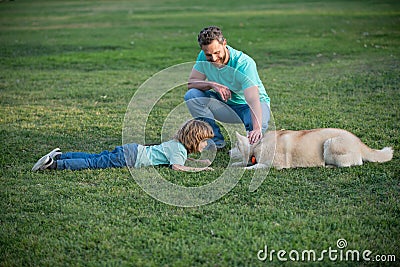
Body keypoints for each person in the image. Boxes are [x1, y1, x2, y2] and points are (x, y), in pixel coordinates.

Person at [184, 26, 270, 148]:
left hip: (249, 105)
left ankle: (252, 139)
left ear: (224, 43)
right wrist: (211, 84)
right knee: (192, 95)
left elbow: (252, 99)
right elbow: (192, 83)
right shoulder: (203, 56)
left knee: (256, 133)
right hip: (226, 105)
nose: (213, 58)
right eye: (209, 55)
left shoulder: (244, 63)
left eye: (217, 52)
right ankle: (215, 141)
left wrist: (257, 128)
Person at [31, 119, 214, 172]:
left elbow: (178, 158)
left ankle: (62, 156)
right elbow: (177, 165)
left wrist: (199, 161)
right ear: (194, 140)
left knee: (97, 156)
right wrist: (200, 170)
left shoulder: (177, 145)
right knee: (94, 163)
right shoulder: (179, 151)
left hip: (132, 149)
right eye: (204, 141)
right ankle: (53, 164)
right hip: (131, 158)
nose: (206, 144)